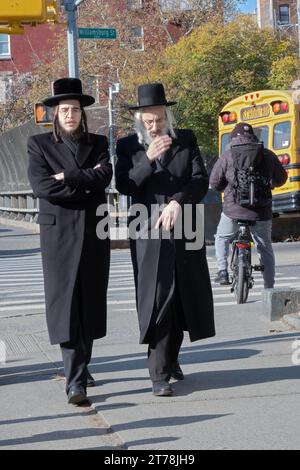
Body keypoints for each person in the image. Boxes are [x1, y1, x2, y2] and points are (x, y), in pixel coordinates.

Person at [115, 83, 215, 397]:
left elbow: (201, 180)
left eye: (159, 120)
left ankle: (171, 359)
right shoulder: (128, 146)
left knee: (184, 296)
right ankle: (158, 374)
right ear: (139, 120)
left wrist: (177, 201)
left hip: (185, 227)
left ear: (167, 116)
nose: (155, 126)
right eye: (149, 122)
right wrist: (147, 157)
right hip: (147, 232)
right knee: (157, 298)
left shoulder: (186, 139)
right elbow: (125, 185)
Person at [27, 78, 112, 405]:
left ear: (83, 113)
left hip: (93, 231)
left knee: (90, 301)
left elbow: (104, 178)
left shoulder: (99, 142)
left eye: (75, 109)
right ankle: (75, 383)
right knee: (65, 306)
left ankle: (82, 365)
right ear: (54, 114)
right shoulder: (39, 144)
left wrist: (68, 176)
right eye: (64, 110)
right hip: (58, 235)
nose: (71, 115)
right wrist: (84, 183)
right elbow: (42, 188)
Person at [209, 121, 287, 287]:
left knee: (222, 238)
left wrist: (227, 188)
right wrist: (270, 183)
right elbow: (282, 179)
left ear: (232, 138)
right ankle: (269, 288)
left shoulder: (228, 155)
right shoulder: (267, 154)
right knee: (264, 247)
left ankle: (223, 271)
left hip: (233, 210)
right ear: (253, 136)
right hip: (261, 212)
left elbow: (214, 182)